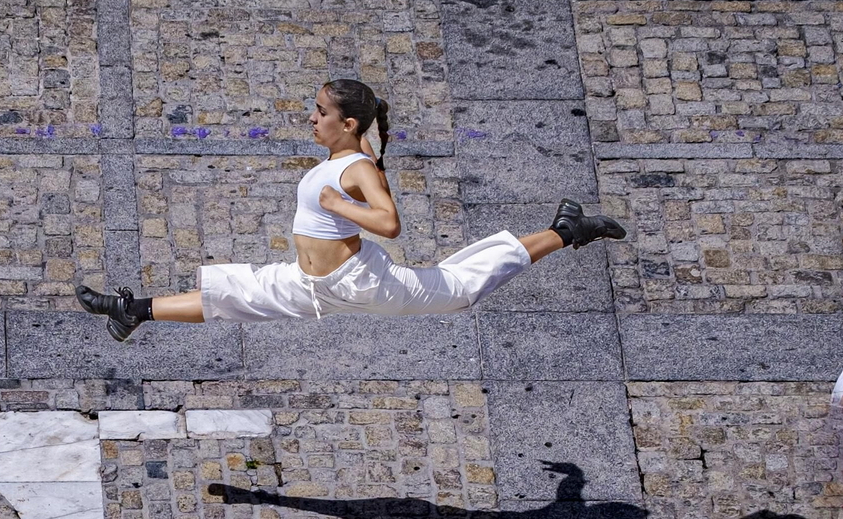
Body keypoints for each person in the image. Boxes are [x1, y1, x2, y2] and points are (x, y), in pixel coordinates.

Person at [76, 79, 627, 341]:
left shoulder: (355, 169)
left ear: (348, 124)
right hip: (311, 283)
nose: (310, 120)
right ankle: (135, 310)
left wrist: (340, 203)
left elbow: (388, 222)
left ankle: (566, 231)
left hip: (360, 281)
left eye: (320, 113)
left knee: (459, 290)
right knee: (236, 292)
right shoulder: (346, 157)